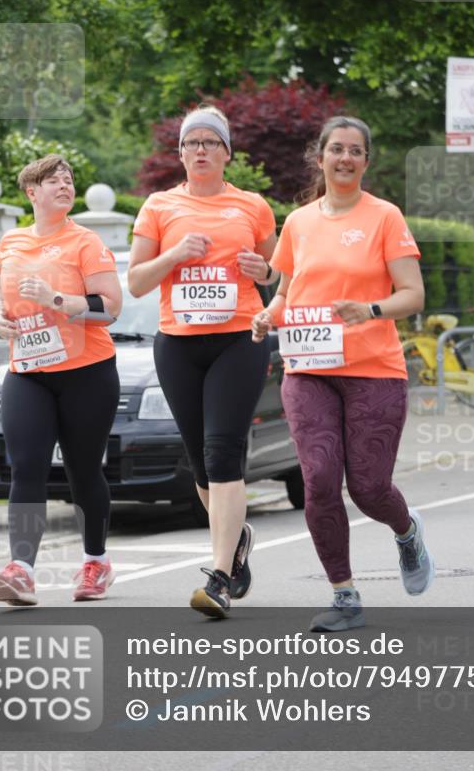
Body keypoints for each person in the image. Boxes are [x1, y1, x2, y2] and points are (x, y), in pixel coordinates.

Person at [252, 116, 434, 631]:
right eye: (337, 149)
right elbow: (287, 292)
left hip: (373, 370)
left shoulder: (385, 217)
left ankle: (406, 532)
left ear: (366, 161)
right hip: (307, 369)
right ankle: (344, 594)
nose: (345, 158)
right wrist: (267, 315)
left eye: (355, 151)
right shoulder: (300, 222)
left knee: (370, 488)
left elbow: (413, 294)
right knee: (320, 480)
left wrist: (371, 311)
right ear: (321, 157)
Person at [128, 105, 277, 618]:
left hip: (239, 337)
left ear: (227, 152)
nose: (200, 150)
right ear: (181, 154)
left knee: (221, 453)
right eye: (191, 143)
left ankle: (218, 578)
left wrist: (264, 269)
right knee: (199, 461)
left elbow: (276, 273)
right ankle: (235, 542)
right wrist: (175, 255)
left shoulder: (252, 206)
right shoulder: (159, 207)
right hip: (178, 343)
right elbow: (137, 282)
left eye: (210, 142)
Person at [0, 155, 122, 606]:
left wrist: (58, 299)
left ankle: (96, 562)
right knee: (26, 466)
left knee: (83, 470)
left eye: (69, 180)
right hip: (28, 370)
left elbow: (110, 308)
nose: (65, 185)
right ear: (32, 192)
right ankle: (21, 570)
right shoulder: (12, 241)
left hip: (86, 372)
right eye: (53, 180)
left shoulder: (86, 242)